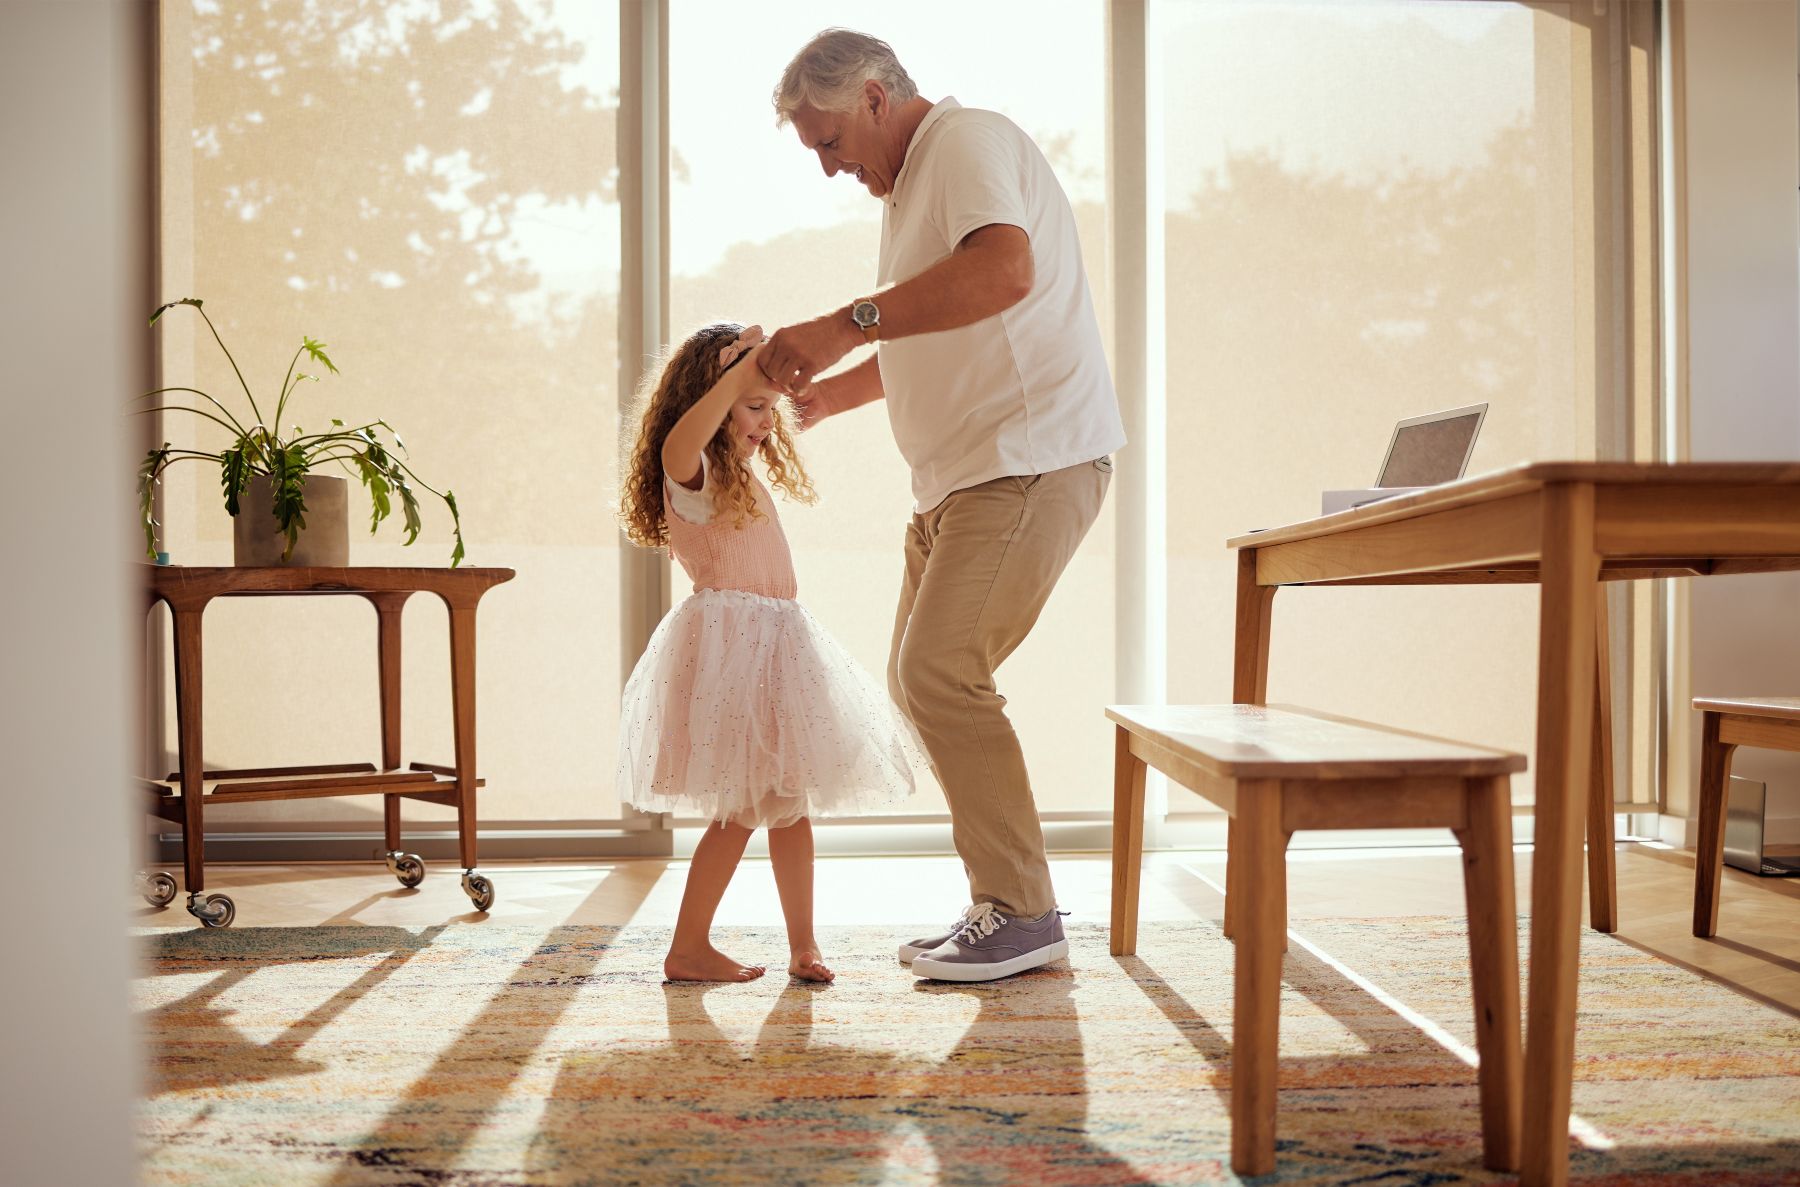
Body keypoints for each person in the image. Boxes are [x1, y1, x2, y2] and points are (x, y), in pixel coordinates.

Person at [763, 29, 1126, 983]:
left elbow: (1004, 271)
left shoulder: (963, 143)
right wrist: (831, 394)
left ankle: (1022, 908)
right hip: (963, 477)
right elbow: (945, 320)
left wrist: (844, 323)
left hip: (1027, 458)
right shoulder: (914, 184)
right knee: (916, 673)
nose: (832, 168)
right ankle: (1003, 903)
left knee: (938, 669)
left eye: (831, 142)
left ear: (877, 97)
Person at [616, 321, 920, 984]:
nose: (763, 422)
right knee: (743, 810)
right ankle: (688, 945)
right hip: (737, 651)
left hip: (778, 645)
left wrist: (757, 386)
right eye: (753, 406)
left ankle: (803, 945)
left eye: (769, 410)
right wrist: (740, 376)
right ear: (713, 396)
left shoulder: (743, 479)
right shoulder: (689, 472)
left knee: (789, 804)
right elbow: (680, 438)